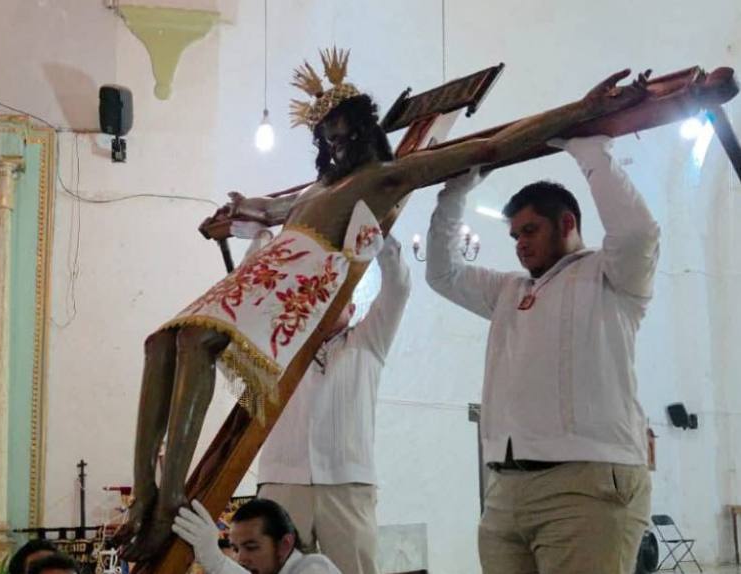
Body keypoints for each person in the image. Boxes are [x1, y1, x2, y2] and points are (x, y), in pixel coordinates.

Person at [119, 44, 652, 560]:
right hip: (271, 268)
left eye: (347, 138)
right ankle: (145, 499)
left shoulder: (383, 177)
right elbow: (268, 207)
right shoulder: (314, 190)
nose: (339, 150)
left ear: (366, 132)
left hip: (300, 280)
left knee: (197, 340)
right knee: (161, 342)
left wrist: (580, 113)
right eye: (330, 142)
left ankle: (169, 504)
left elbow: (490, 148)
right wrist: (238, 211)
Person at [425, 135, 659, 574]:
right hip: (505, 489)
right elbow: (442, 273)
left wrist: (586, 148)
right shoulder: (510, 290)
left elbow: (636, 232)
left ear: (567, 223)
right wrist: (454, 193)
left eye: (529, 231)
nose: (519, 243)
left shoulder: (613, 277)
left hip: (586, 483)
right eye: (515, 235)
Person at [255, 230, 409, 574]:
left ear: (353, 308)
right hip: (283, 481)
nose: (322, 307)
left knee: (354, 569)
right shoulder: (280, 348)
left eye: (333, 299)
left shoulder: (368, 342)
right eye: (316, 299)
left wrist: (378, 229)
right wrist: (261, 240)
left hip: (348, 484)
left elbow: (398, 286)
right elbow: (248, 305)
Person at [172, 498, 341, 574]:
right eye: (236, 549)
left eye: (251, 547)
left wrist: (217, 563)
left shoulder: (316, 568)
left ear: (285, 545)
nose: (241, 559)